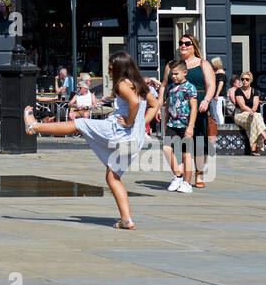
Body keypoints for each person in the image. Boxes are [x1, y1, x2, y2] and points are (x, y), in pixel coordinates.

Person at [22, 51, 155, 230]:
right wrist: (139, 125)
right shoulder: (140, 85)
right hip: (133, 139)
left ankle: (34, 127)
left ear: (121, 69)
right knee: (113, 177)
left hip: (118, 132)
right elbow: (155, 105)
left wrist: (131, 121)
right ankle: (126, 220)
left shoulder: (123, 84)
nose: (108, 72)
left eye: (110, 69)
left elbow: (134, 103)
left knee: (79, 124)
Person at [162, 34, 217, 187]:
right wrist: (161, 106)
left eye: (187, 43)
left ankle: (199, 174)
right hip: (177, 108)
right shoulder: (173, 65)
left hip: (198, 105)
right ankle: (180, 175)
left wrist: (206, 100)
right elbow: (164, 85)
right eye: (181, 43)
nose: (183, 46)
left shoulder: (203, 64)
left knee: (199, 142)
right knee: (175, 144)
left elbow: (211, 85)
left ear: (194, 46)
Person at [160, 61, 197, 192]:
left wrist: (190, 126)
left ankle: (187, 183)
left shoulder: (190, 88)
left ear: (185, 72)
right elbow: (167, 105)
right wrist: (164, 123)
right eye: (172, 74)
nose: (174, 76)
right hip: (171, 123)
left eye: (176, 74)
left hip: (185, 124)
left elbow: (194, 108)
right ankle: (178, 175)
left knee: (186, 154)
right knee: (166, 148)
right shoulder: (170, 87)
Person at [231, 71, 266, 155]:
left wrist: (252, 111)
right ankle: (265, 138)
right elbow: (242, 106)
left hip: (251, 114)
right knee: (257, 117)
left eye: (247, 79)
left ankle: (253, 150)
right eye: (242, 79)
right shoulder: (238, 91)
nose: (244, 81)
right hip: (240, 114)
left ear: (250, 80)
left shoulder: (255, 91)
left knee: (255, 120)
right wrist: (251, 111)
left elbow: (255, 105)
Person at [209, 57, 227, 127]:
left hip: (218, 95)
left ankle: (221, 126)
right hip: (214, 94)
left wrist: (217, 94)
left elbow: (221, 84)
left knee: (218, 111)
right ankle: (217, 125)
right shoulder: (215, 72)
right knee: (215, 111)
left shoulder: (221, 72)